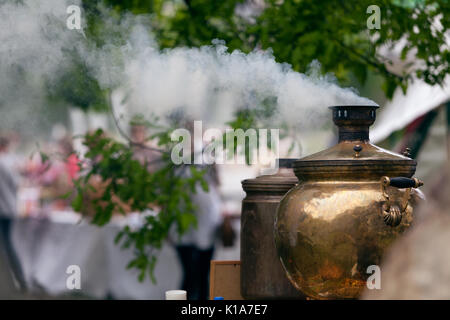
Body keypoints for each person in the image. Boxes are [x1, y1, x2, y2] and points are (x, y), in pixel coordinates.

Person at [0, 136, 26, 290]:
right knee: (8, 245)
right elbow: (17, 184)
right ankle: (18, 278)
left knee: (6, 245)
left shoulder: (5, 162)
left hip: (4, 208)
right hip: (7, 208)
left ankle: (17, 279)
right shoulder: (6, 163)